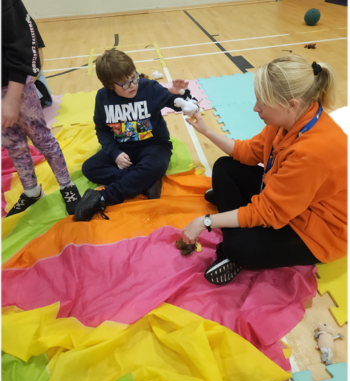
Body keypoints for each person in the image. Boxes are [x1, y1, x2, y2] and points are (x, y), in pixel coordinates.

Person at [182, 55, 349, 286]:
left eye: (262, 102)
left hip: (319, 231)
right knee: (224, 166)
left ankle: (229, 244)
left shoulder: (313, 151)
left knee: (239, 248)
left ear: (291, 104)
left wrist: (207, 221)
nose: (255, 108)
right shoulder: (285, 122)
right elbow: (249, 151)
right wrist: (207, 131)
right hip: (289, 201)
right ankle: (231, 215)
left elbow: (268, 212)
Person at [74, 50, 192, 221]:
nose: (132, 85)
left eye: (133, 77)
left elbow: (180, 105)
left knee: (156, 164)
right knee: (89, 168)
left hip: (154, 145)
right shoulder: (102, 97)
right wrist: (114, 153)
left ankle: (102, 198)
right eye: (124, 83)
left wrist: (179, 93)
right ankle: (145, 180)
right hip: (122, 147)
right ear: (109, 85)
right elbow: (102, 129)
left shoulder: (149, 87)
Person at [0, 0, 81, 217]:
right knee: (13, 145)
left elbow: (23, 47)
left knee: (42, 138)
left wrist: (12, 97)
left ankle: (66, 185)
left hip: (14, 85)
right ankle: (32, 191)